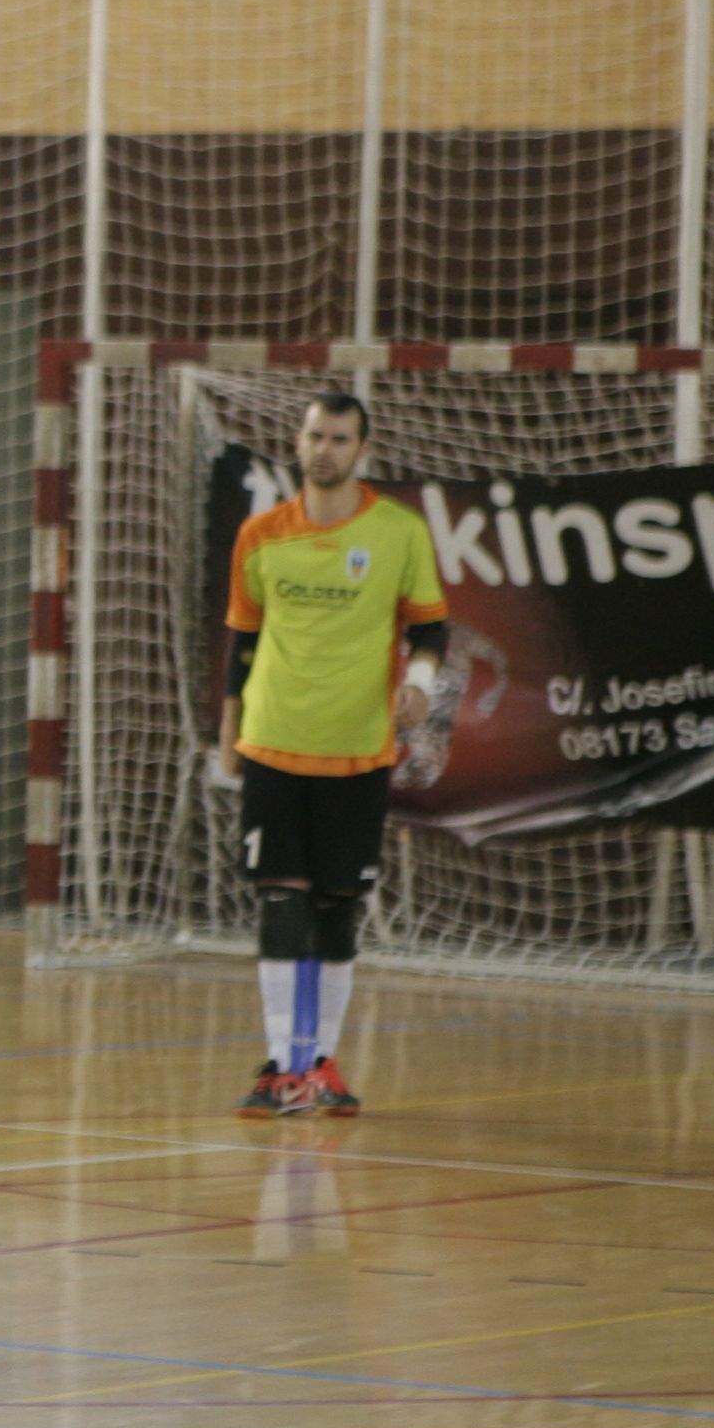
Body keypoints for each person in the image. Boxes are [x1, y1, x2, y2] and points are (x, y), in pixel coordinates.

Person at [215, 387, 451, 1117]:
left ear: (362, 450)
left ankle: (321, 1063)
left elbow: (431, 628)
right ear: (298, 442)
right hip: (273, 741)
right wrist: (228, 731)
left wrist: (419, 684)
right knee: (280, 900)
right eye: (315, 436)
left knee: (339, 907)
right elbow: (243, 641)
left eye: (340, 439)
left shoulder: (398, 533)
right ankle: (280, 1067)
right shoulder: (260, 535)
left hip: (357, 748)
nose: (325, 450)